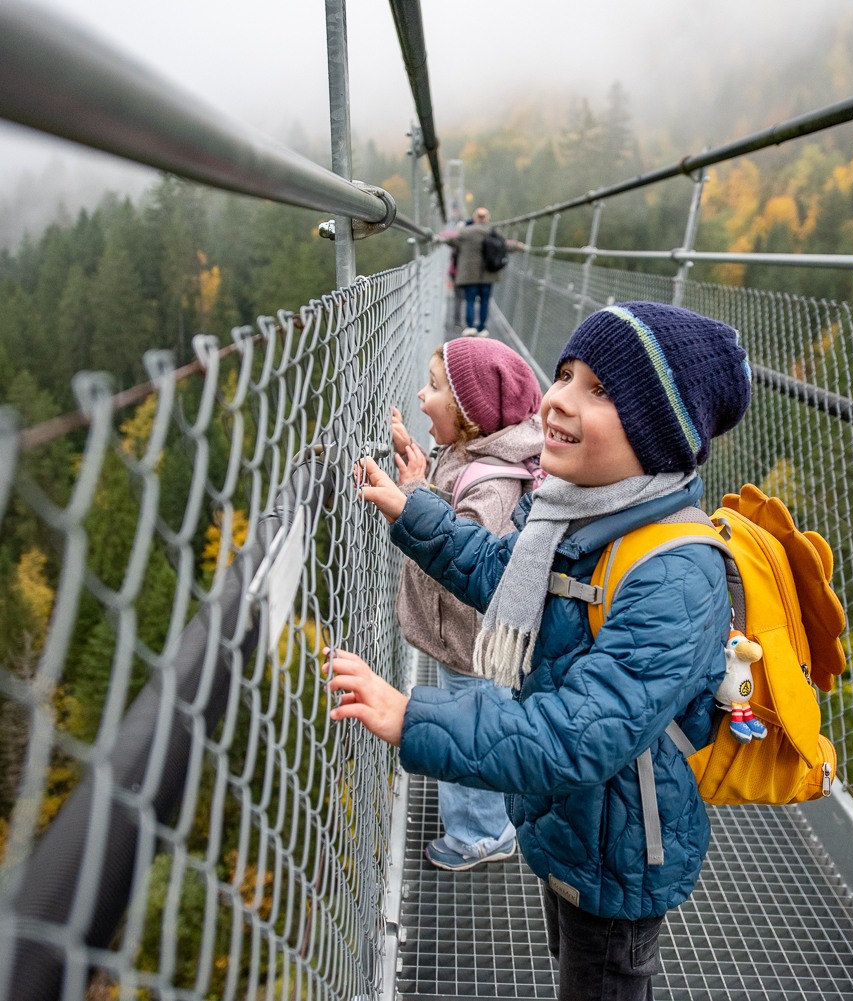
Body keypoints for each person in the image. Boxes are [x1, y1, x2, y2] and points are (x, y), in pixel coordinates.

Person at [324, 301, 752, 1000]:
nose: (556, 400)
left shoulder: (675, 571)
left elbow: (578, 733)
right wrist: (416, 513)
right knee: (572, 957)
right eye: (564, 374)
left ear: (657, 431)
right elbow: (504, 576)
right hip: (569, 820)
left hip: (620, 850)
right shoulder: (570, 505)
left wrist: (414, 719)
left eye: (601, 390)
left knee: (602, 976)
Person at [388, 336, 544, 870]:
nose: (420, 395)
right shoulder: (468, 452)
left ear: (470, 415)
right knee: (475, 719)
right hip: (463, 637)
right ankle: (487, 817)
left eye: (434, 388)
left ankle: (482, 833)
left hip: (473, 641)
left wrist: (412, 496)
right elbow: (448, 492)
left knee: (472, 727)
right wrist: (419, 466)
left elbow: (466, 550)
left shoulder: (497, 484)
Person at [444, 206, 522, 336]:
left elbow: (451, 241)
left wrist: (438, 238)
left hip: (469, 274)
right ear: (488, 218)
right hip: (488, 274)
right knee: (485, 301)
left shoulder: (465, 232)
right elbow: (504, 246)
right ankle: (481, 328)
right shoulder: (492, 232)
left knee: (470, 300)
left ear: (474, 217)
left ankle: (470, 326)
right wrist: (518, 246)